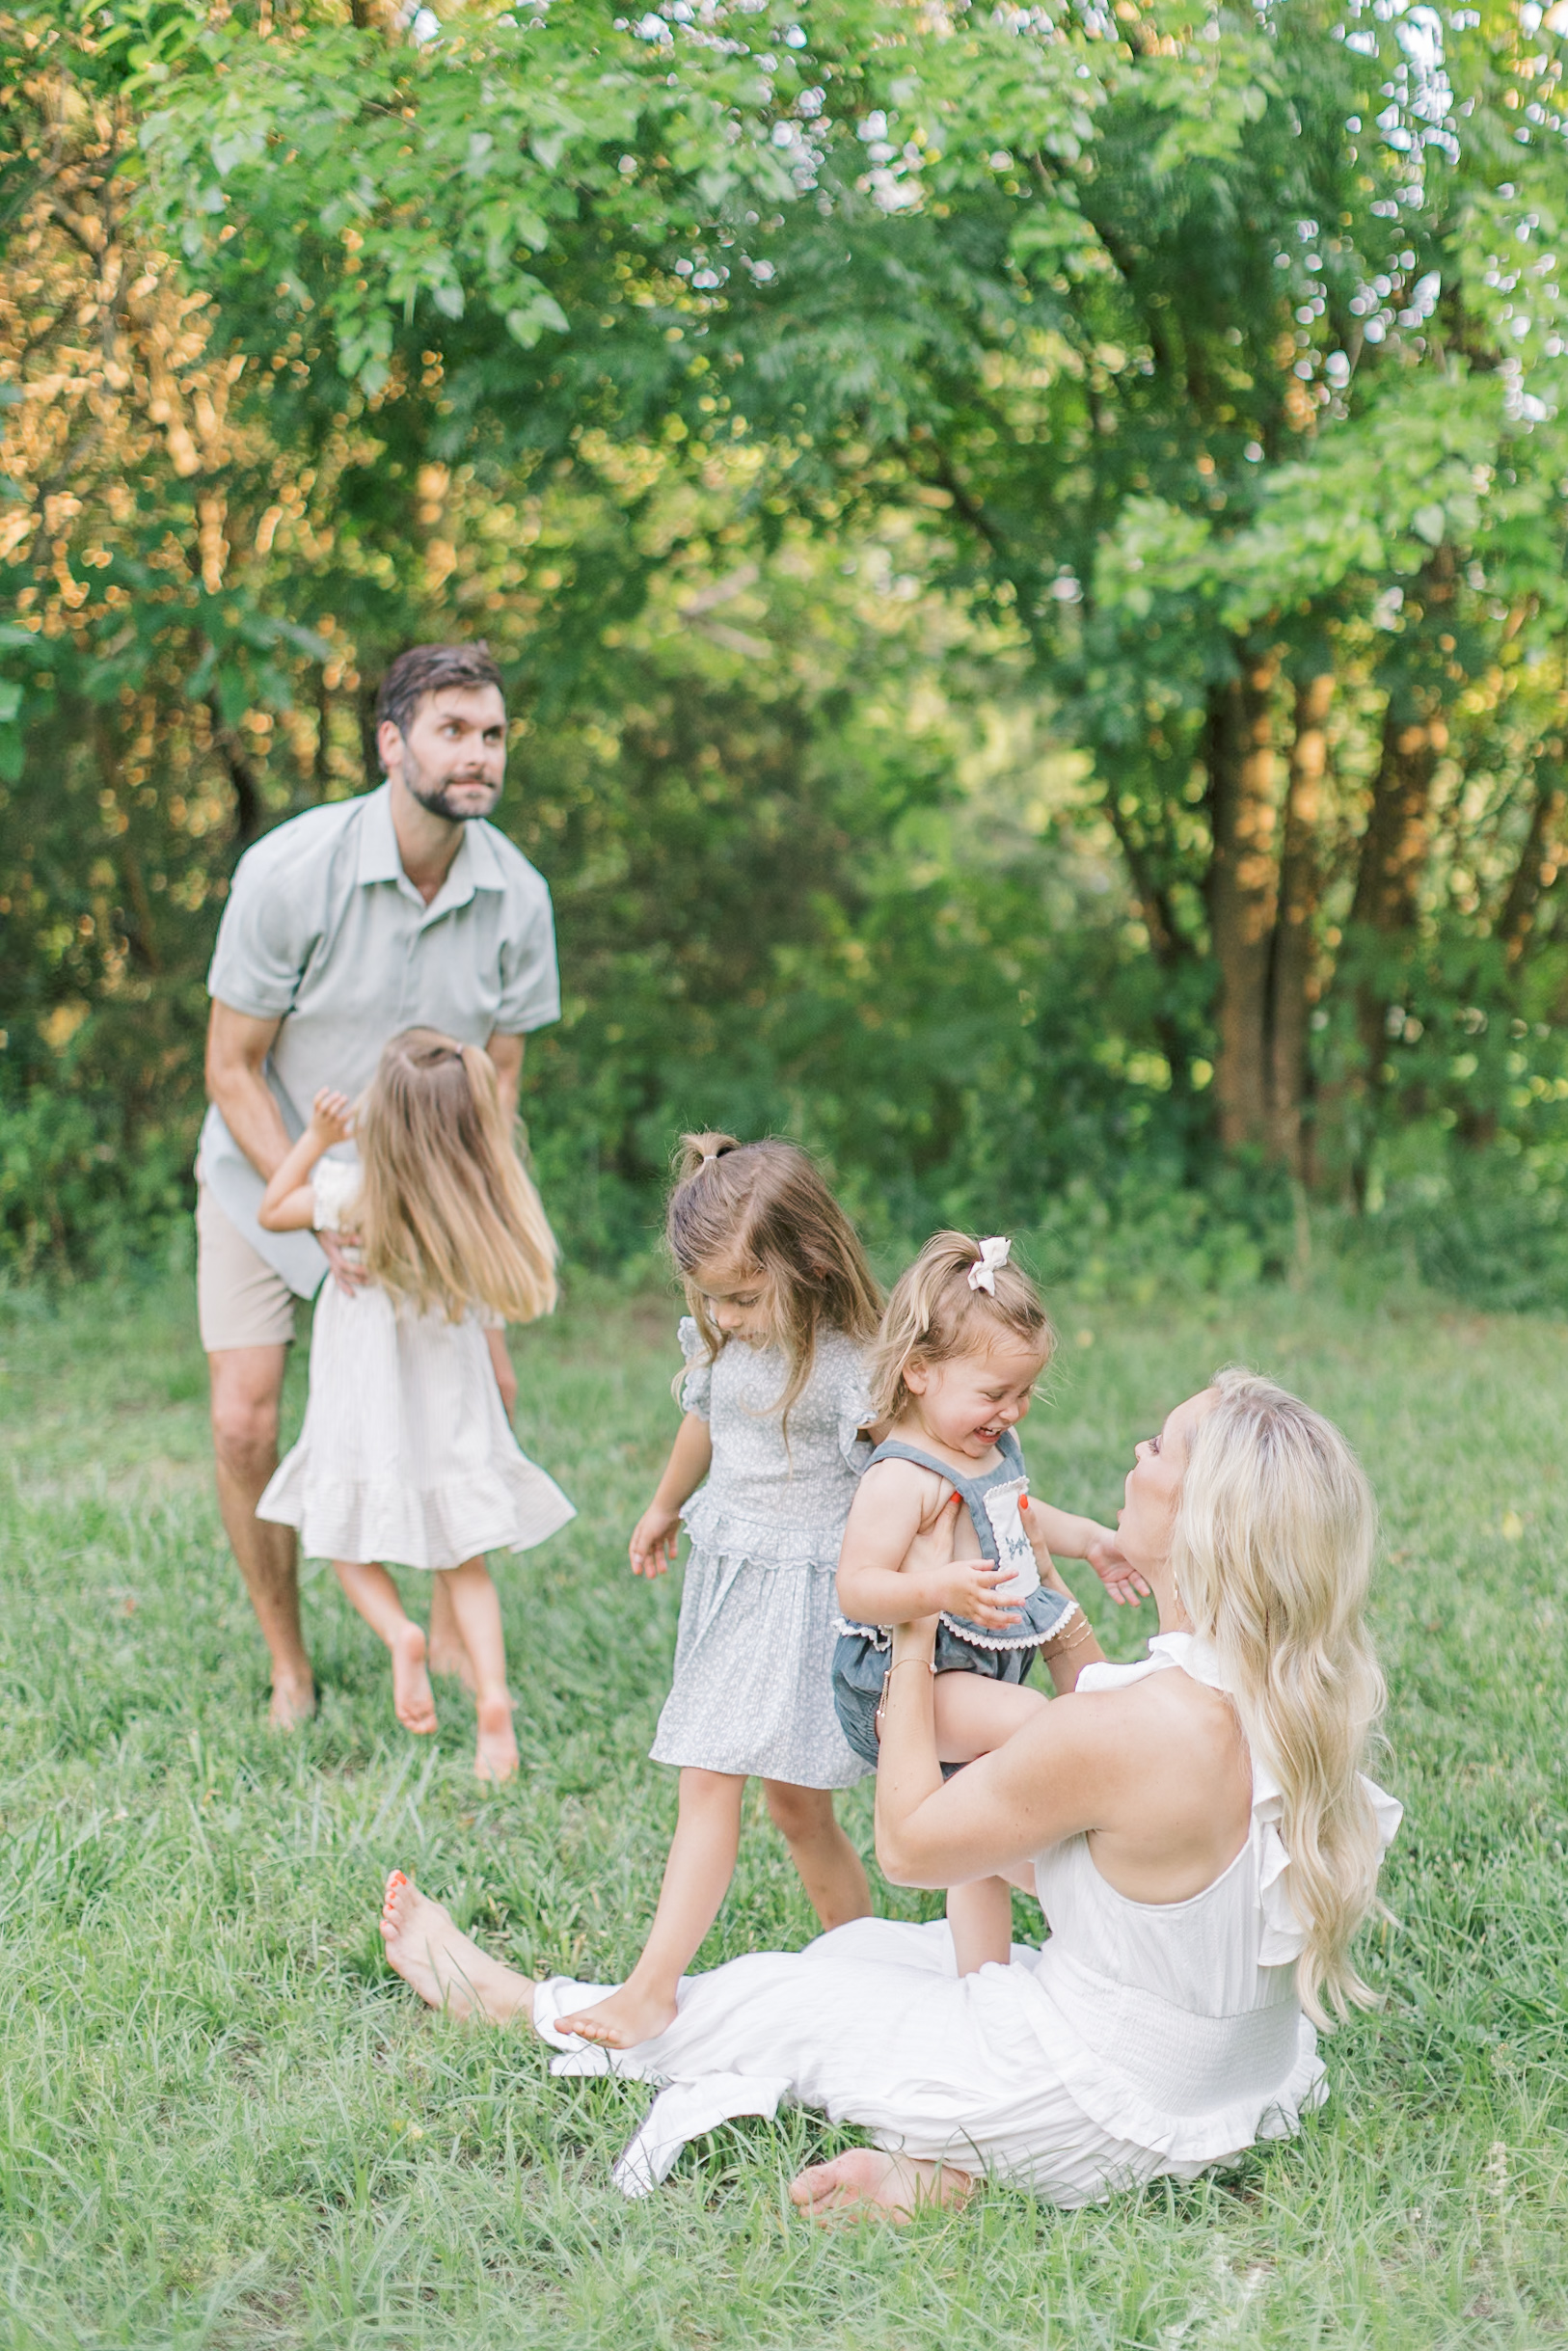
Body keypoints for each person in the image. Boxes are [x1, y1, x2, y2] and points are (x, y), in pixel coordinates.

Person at [379, 1368, 1401, 2219]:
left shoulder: (1134, 1730)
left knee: (792, 1994)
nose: (1140, 1451)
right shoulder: (1277, 1689)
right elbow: (1109, 1752)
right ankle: (940, 2177)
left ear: (1202, 1521)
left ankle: (522, 2004)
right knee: (869, 1951)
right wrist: (1048, 1597)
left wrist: (914, 1635)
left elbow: (910, 1846)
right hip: (1238, 2090)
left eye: (1164, 1450)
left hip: (1105, 2102)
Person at [198, 641, 559, 1728]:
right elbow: (229, 1066)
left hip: (428, 1206)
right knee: (245, 1417)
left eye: (491, 733)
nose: (478, 753)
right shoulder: (288, 871)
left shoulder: (519, 897)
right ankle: (290, 1662)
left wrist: (474, 1250)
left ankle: (452, 1616)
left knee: (477, 1398)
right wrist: (319, 1225)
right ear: (392, 741)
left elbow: (496, 1088)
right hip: (275, 1169)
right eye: (453, 730)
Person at [549, 1133, 884, 2051]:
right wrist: (665, 1505)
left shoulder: (854, 1362)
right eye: (710, 1299)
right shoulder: (720, 1337)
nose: (726, 1318)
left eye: (743, 1297)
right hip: (733, 1578)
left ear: (811, 1262)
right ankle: (670, 1984)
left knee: (792, 1805)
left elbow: (905, 1475)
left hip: (811, 1593)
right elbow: (707, 1420)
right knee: (724, 1782)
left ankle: (840, 1967)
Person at [254, 1029, 573, 1779]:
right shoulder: (471, 1198)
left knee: (338, 1537)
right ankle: (493, 1700)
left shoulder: (350, 1191)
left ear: (384, 1114)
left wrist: (317, 1138)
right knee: (465, 1558)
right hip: (448, 1395)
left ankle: (401, 1634)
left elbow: (273, 1209)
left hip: (364, 1392)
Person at [832, 1230, 1136, 1974]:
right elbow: (857, 1586)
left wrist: (1090, 1538)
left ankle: (983, 1981)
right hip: (908, 1683)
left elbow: (1020, 1513)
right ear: (919, 1373)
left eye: (1024, 1392)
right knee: (1039, 1727)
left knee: (975, 1842)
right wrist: (935, 1589)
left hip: (975, 1667)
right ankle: (1089, 1895)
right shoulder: (899, 1477)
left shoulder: (985, 1448)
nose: (1013, 1412)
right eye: (995, 1394)